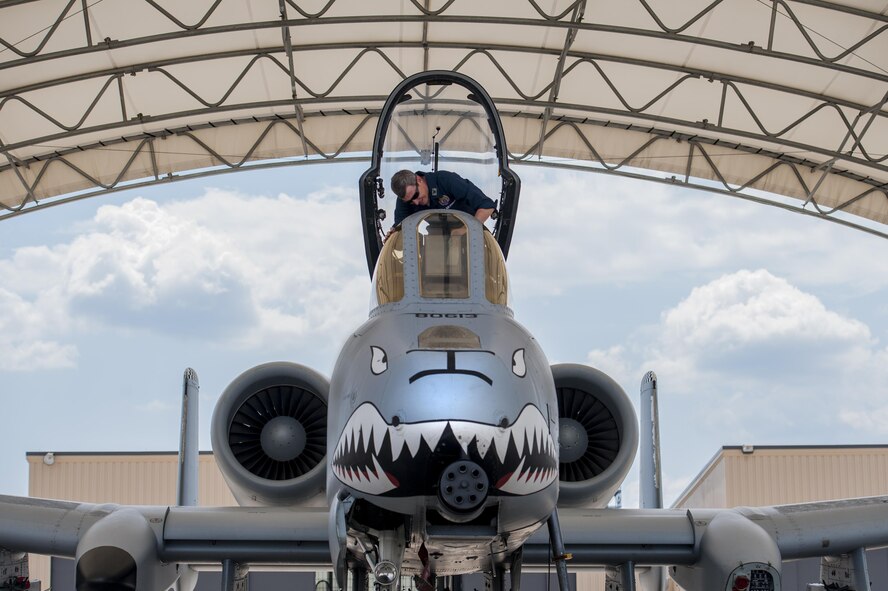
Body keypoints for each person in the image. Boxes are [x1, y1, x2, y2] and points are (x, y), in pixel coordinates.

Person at [390, 169, 495, 228]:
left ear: (419, 179)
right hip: (437, 242)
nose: (416, 202)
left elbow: (487, 206)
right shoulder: (406, 198)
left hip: (470, 236)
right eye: (411, 202)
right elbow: (400, 227)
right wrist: (393, 233)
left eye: (416, 195)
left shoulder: (446, 180)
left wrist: (465, 230)